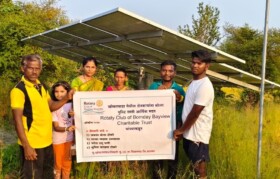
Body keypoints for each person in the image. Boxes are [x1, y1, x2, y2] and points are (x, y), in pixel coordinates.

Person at [10, 54, 74, 179]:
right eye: (30, 68)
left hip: (47, 141)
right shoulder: (19, 90)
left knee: (46, 174)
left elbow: (51, 105)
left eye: (37, 68)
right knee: (32, 176)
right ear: (23, 68)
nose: (34, 71)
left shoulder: (41, 86)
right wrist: (27, 146)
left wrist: (67, 98)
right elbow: (17, 120)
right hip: (32, 143)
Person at [173, 50, 214, 179]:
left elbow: (195, 112)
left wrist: (181, 130)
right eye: (193, 62)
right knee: (194, 167)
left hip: (198, 135)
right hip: (189, 133)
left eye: (199, 63)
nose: (195, 65)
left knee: (199, 170)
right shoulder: (193, 82)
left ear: (207, 66)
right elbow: (189, 106)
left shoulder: (205, 86)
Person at [148, 60, 185, 179]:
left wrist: (179, 98)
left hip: (173, 128)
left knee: (172, 158)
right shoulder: (153, 86)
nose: (167, 73)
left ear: (175, 73)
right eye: (164, 70)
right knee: (157, 157)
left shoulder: (179, 89)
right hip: (156, 128)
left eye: (170, 71)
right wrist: (156, 94)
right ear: (160, 72)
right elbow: (145, 103)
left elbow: (183, 109)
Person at [51, 81, 75, 179]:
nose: (59, 94)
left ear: (67, 92)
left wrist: (76, 115)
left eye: (62, 91)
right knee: (57, 163)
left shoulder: (73, 105)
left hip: (69, 139)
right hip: (57, 140)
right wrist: (67, 128)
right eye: (56, 91)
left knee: (67, 162)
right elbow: (56, 127)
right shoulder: (54, 106)